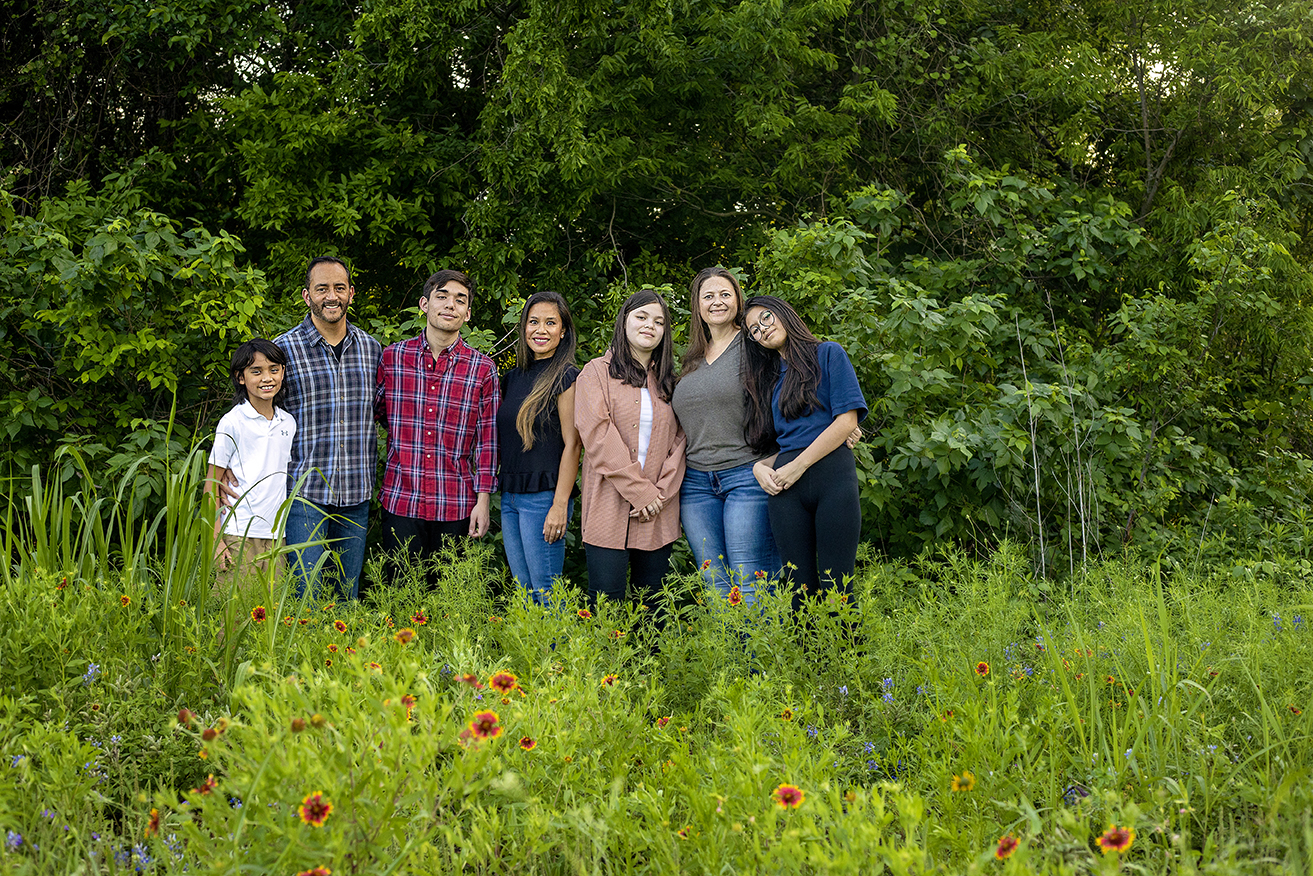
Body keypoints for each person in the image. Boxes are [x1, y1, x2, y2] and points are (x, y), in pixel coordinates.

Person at [742, 295, 867, 601]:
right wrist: (761, 466)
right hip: (786, 491)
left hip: (832, 478)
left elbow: (846, 422)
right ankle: (804, 651)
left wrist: (799, 466)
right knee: (799, 591)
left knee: (837, 587)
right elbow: (789, 443)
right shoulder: (770, 381)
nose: (762, 330)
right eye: (754, 330)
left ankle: (846, 651)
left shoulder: (828, 354)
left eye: (766, 318)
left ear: (783, 312)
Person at [274, 257, 382, 600]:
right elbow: (261, 418)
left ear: (351, 293)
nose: (331, 296)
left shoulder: (372, 350)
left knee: (346, 595)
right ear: (307, 296)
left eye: (338, 288)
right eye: (322, 288)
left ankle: (346, 654)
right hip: (305, 494)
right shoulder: (282, 350)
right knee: (306, 596)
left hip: (355, 492)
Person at [375, 269, 499, 566]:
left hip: (456, 504)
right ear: (424, 304)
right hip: (401, 499)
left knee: (448, 604)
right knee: (401, 596)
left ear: (468, 314)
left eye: (459, 300)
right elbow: (380, 413)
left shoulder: (482, 369)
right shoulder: (393, 358)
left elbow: (487, 442)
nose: (450, 305)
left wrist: (483, 503)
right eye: (441, 296)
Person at [671, 268, 779, 604]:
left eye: (725, 294)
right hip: (696, 485)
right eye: (708, 296)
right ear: (698, 306)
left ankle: (762, 657)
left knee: (750, 577)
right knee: (714, 581)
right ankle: (729, 657)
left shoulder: (755, 345)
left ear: (737, 301)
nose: (717, 302)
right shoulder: (689, 359)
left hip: (748, 474)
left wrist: (838, 418)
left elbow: (798, 377)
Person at [575, 289, 686, 609]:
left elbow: (679, 444)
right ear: (624, 321)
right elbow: (597, 436)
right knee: (606, 605)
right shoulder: (595, 372)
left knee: (652, 607)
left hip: (657, 511)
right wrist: (641, 493)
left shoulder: (669, 382)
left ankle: (649, 661)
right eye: (641, 317)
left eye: (659, 321)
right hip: (608, 505)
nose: (650, 325)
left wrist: (658, 495)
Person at [497, 291, 581, 603]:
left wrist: (559, 505)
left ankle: (557, 653)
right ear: (524, 327)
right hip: (510, 497)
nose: (540, 330)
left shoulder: (568, 377)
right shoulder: (511, 378)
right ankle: (535, 654)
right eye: (533, 322)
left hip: (545, 498)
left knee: (547, 595)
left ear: (563, 331)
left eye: (550, 323)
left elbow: (573, 446)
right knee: (524, 592)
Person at [205, 338, 296, 598]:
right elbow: (211, 485)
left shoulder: (287, 422)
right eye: (256, 371)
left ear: (283, 372)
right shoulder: (232, 422)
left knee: (266, 617)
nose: (267, 378)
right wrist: (217, 542)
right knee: (229, 617)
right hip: (238, 534)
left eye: (274, 369)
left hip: (277, 535)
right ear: (240, 377)